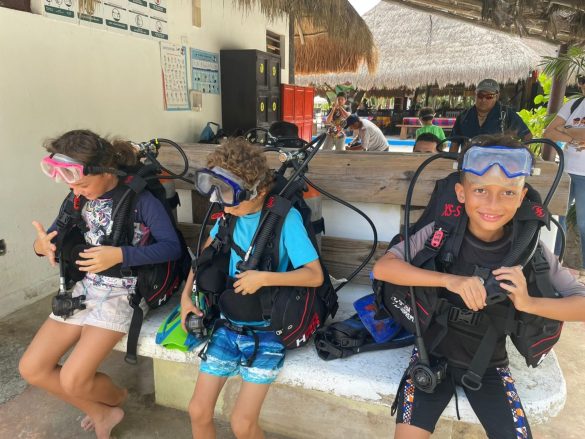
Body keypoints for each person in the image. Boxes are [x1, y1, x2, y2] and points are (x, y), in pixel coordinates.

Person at [373, 134, 585, 439]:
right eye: (481, 190)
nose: (492, 204)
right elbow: (384, 268)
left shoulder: (528, 250)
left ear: (522, 196)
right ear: (461, 193)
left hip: (489, 365)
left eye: (508, 192)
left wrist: (528, 302)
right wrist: (449, 280)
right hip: (430, 354)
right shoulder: (441, 232)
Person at [19, 130, 183, 439]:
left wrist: (121, 254)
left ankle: (116, 398)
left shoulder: (140, 199)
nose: (75, 190)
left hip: (124, 292)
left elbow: (172, 248)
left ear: (107, 171)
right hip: (85, 288)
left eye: (82, 184)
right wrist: (42, 247)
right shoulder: (76, 197)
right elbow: (51, 236)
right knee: (32, 368)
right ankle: (103, 412)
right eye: (71, 186)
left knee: (73, 380)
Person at [180, 138, 323, 439]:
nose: (222, 204)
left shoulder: (285, 219)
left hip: (268, 331)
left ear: (258, 190)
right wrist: (185, 298)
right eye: (218, 195)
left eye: (230, 197)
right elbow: (203, 258)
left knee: (242, 424)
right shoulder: (228, 216)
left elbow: (314, 276)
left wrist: (264, 278)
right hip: (228, 325)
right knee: (198, 411)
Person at [543, 74, 585, 264]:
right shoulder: (574, 105)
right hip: (566, 171)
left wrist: (565, 130)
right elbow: (549, 132)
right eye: (583, 81)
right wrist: (574, 136)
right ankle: (555, 262)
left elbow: (558, 130)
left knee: (583, 224)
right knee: (555, 217)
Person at [449, 79, 532, 152]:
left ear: (497, 96)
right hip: (469, 162)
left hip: (497, 162)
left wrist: (519, 156)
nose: (483, 100)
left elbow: (527, 136)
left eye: (489, 96)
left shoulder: (506, 114)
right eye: (480, 95)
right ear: (475, 94)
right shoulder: (463, 117)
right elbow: (454, 144)